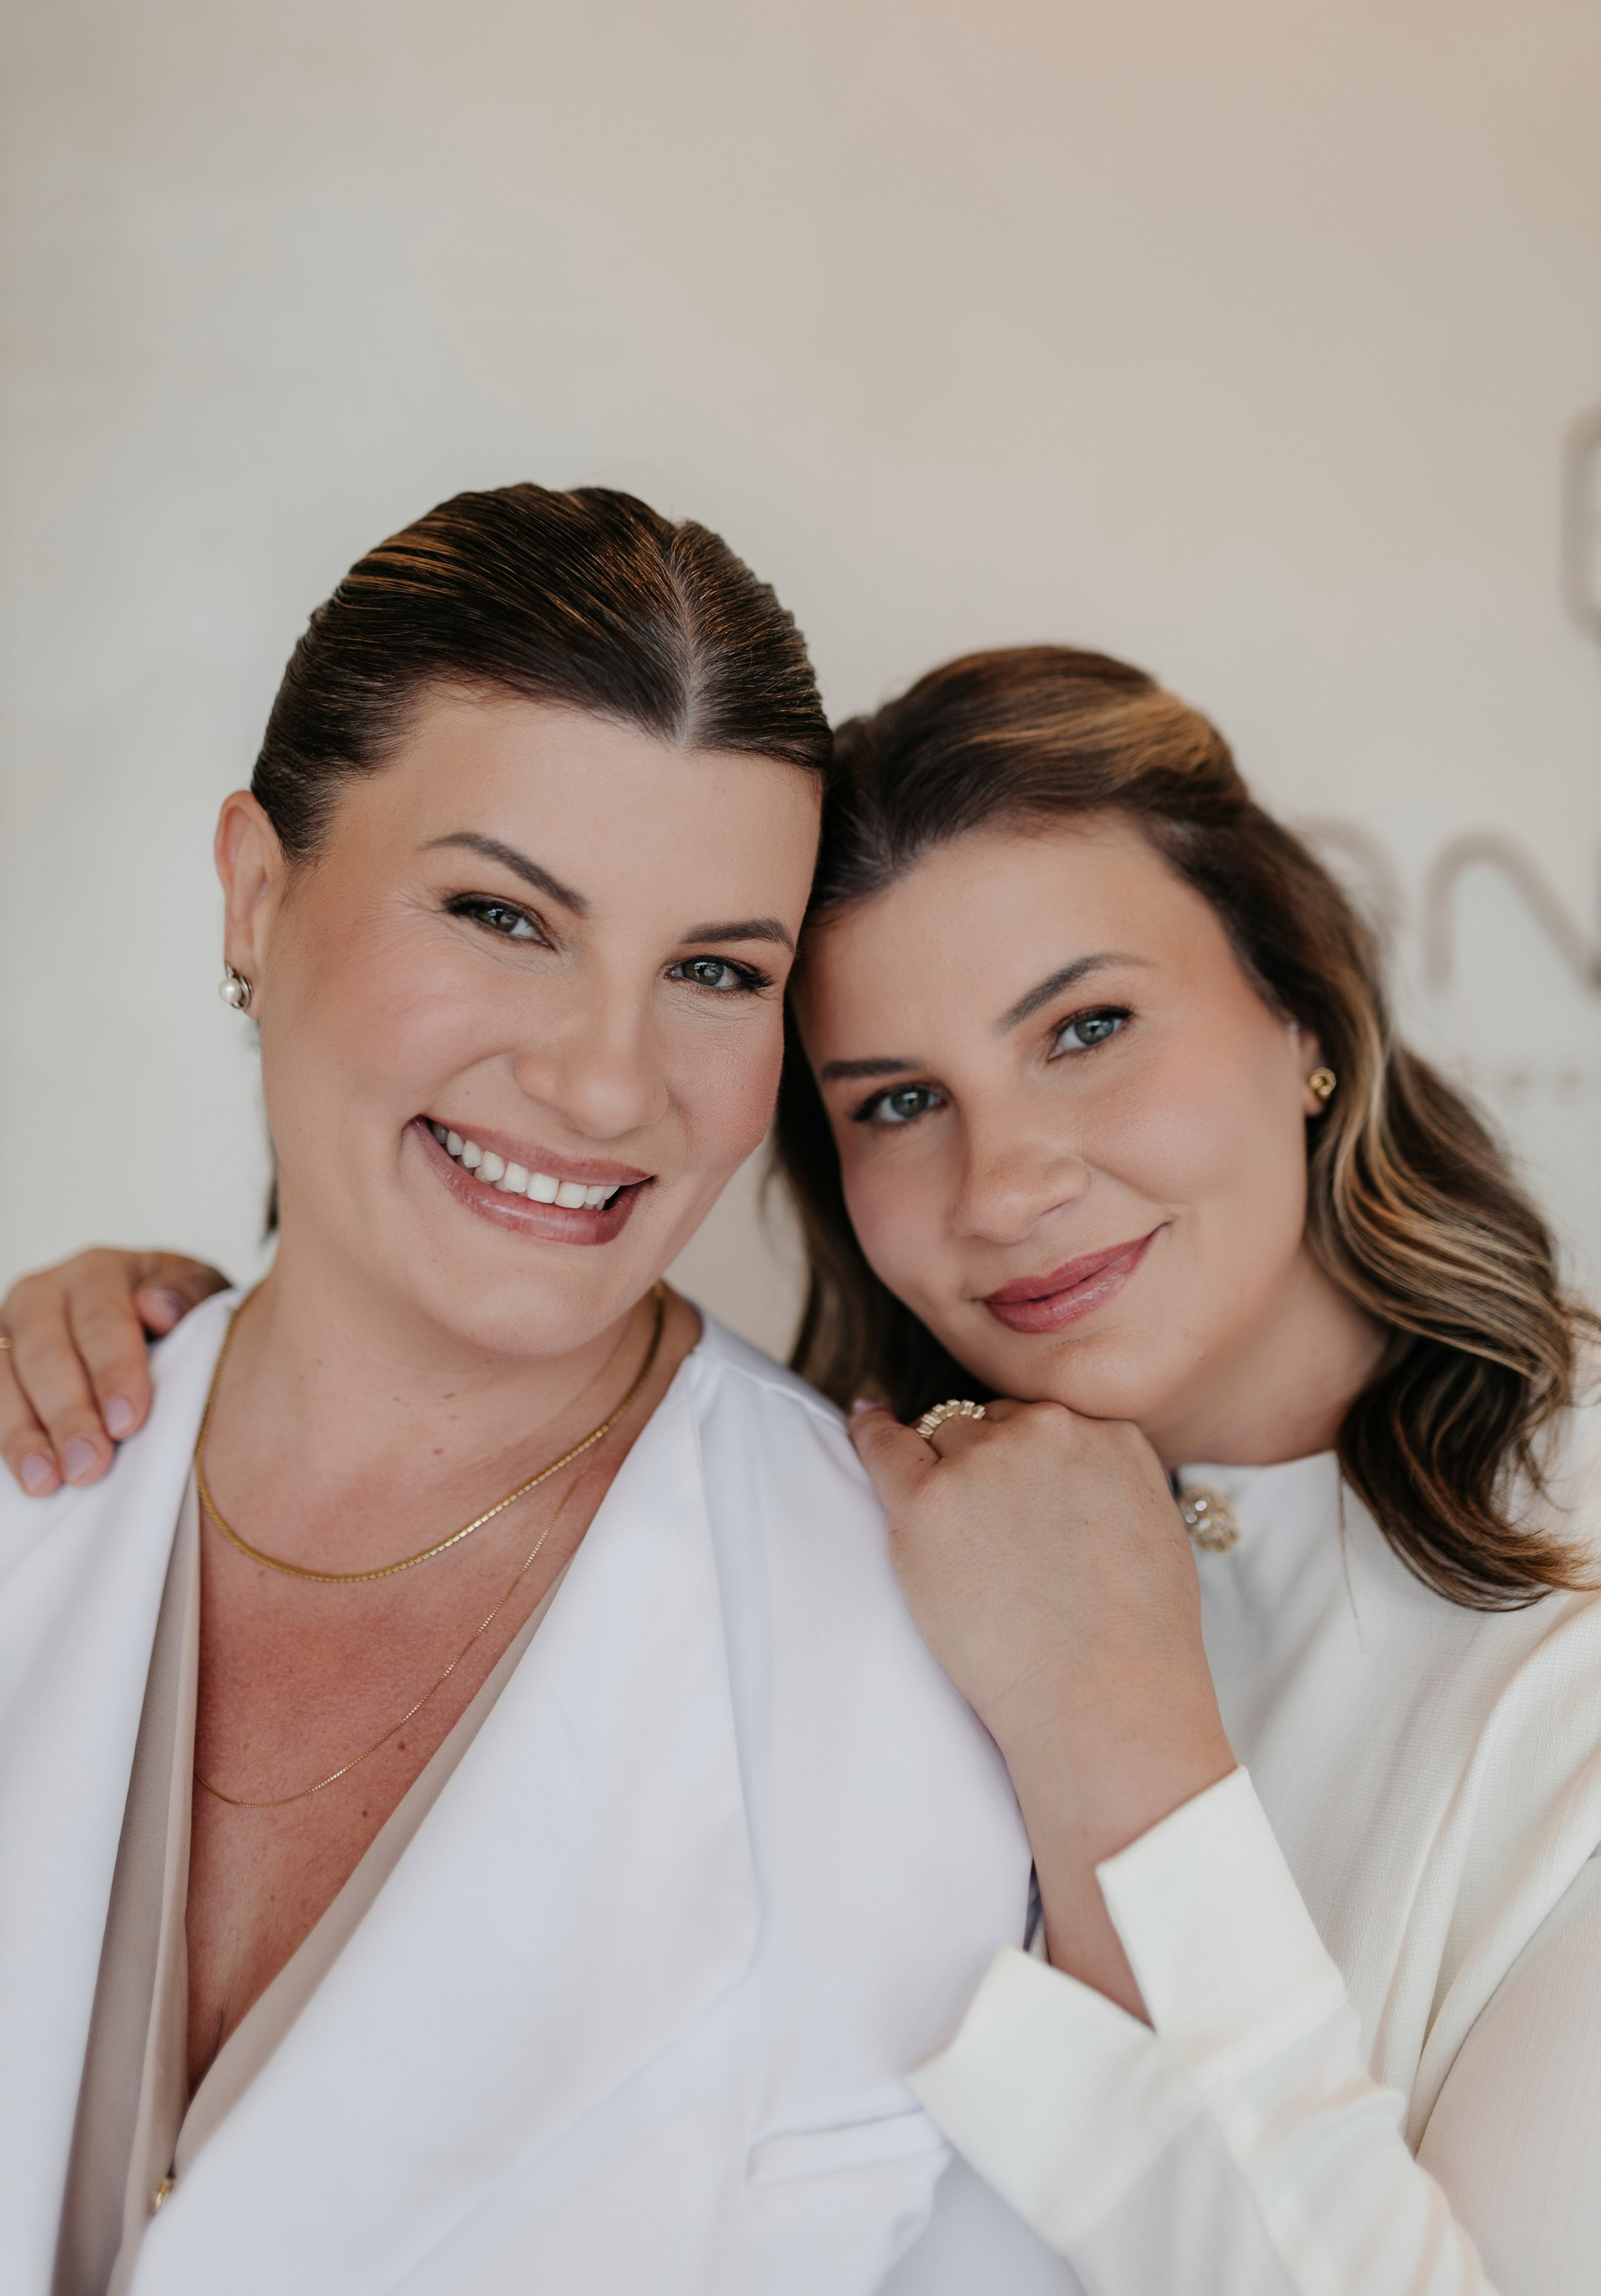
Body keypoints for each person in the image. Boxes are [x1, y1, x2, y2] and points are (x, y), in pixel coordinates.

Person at [24, 645, 1601, 2295]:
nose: (1005, 1184)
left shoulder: (1554, 1664)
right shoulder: (855, 1567)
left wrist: (1123, 1753)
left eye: (1089, 1027)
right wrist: (208, 1365)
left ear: (1304, 1015)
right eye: (900, 1100)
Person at [0, 491, 1066, 2296]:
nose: (603, 1084)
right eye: (503, 915)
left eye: (715, 971)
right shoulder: (41, 1452)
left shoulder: (934, 1670)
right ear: (257, 893)